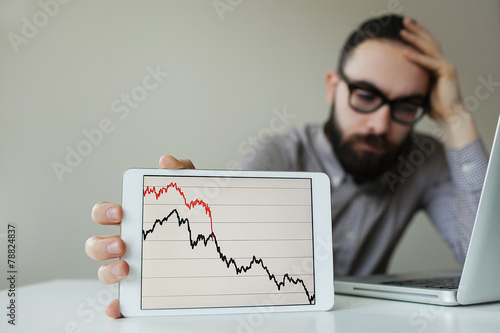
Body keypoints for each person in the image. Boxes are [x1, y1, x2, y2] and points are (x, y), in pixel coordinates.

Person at [85, 15, 488, 318]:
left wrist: (454, 116)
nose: (380, 124)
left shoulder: (425, 159)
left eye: (405, 107)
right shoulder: (278, 156)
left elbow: (486, 262)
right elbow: (225, 261)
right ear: (334, 87)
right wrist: (180, 243)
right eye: (365, 95)